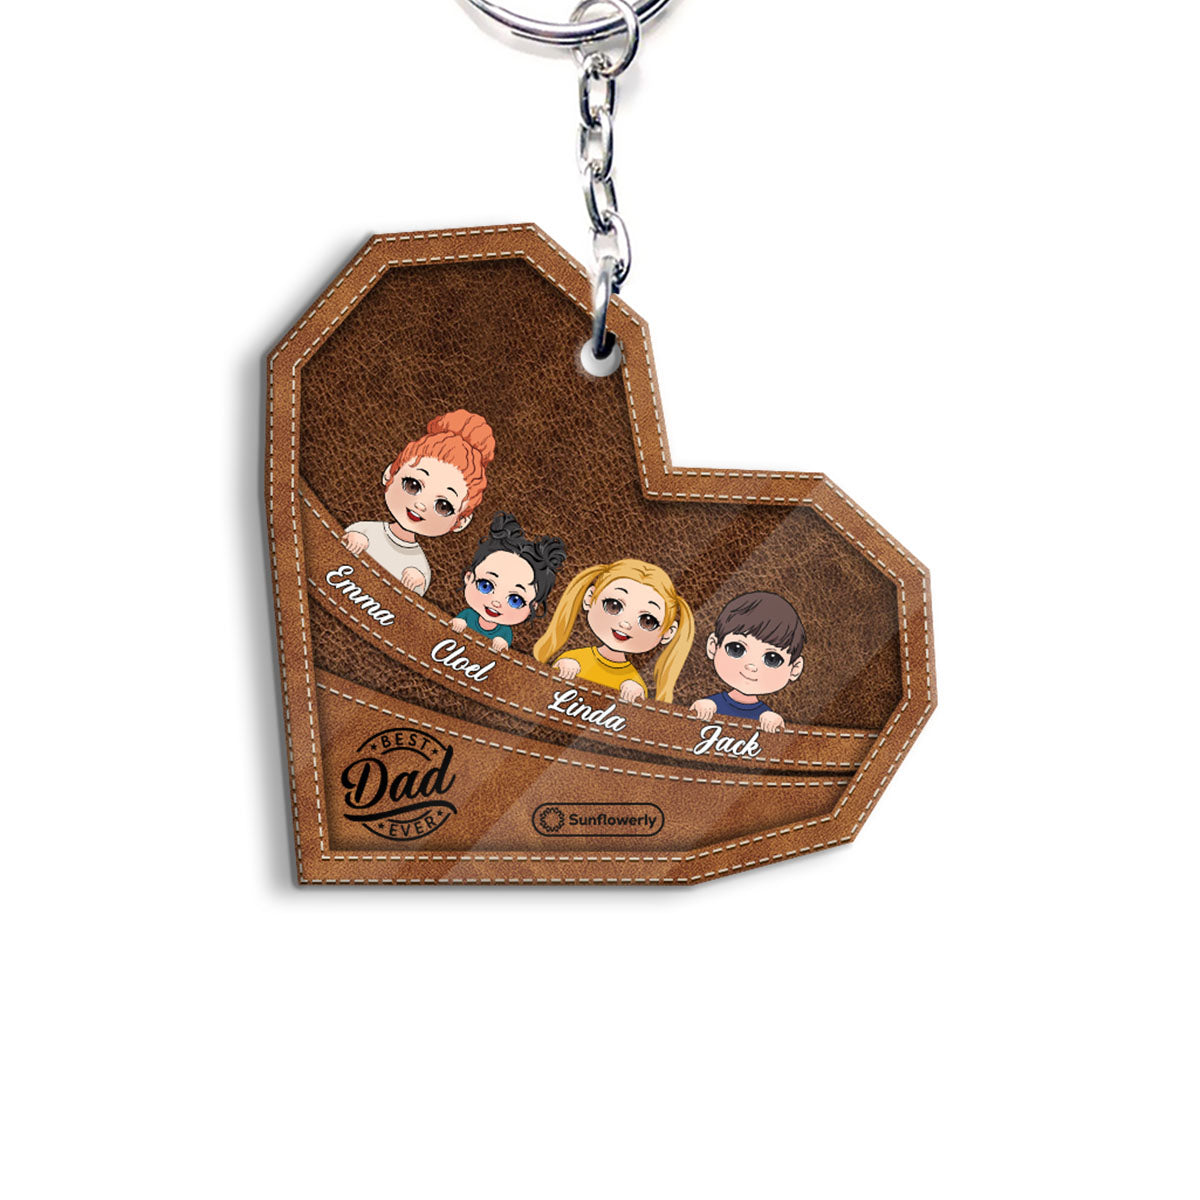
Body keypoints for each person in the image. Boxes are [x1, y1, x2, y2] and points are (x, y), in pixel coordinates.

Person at [341, 409, 495, 595]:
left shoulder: (418, 564)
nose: (420, 505)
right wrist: (353, 538)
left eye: (443, 506)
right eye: (412, 485)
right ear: (390, 473)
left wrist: (418, 580)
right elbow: (338, 544)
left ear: (461, 521)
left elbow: (414, 597)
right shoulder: (367, 530)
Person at [533, 559, 694, 703]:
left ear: (668, 632)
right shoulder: (577, 658)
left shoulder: (632, 681)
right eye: (613, 606)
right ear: (589, 598)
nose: (625, 624)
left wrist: (637, 696)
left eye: (647, 621)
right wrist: (562, 667)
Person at [689, 592, 806, 732]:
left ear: (794, 669)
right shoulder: (711, 705)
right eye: (736, 649)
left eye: (772, 659)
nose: (751, 666)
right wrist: (698, 709)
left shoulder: (767, 718)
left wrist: (776, 726)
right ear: (713, 646)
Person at [450, 513, 567, 652]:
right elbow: (455, 624)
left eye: (515, 600)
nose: (496, 602)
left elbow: (503, 646)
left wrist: (501, 643)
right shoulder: (468, 615)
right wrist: (458, 622)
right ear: (469, 577)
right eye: (485, 586)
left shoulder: (504, 632)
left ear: (533, 606)